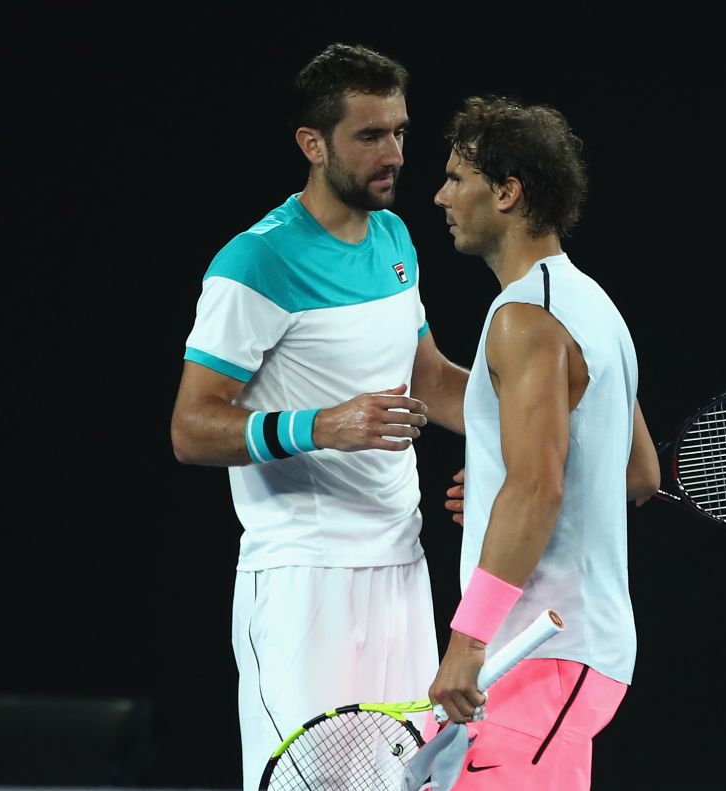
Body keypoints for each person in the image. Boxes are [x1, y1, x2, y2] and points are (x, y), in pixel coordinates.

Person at [169, 42, 468, 791]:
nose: (393, 152)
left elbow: (429, 379)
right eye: (370, 135)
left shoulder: (397, 238)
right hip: (303, 583)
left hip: (402, 570)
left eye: (400, 131)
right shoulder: (253, 263)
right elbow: (191, 427)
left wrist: (530, 426)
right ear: (313, 143)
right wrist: (319, 425)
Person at [424, 95, 662, 790]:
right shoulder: (594, 306)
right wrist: (511, 497)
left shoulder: (524, 318)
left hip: (537, 653)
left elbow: (538, 487)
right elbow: (639, 472)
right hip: (569, 656)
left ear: (507, 192)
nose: (441, 195)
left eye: (456, 178)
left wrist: (467, 642)